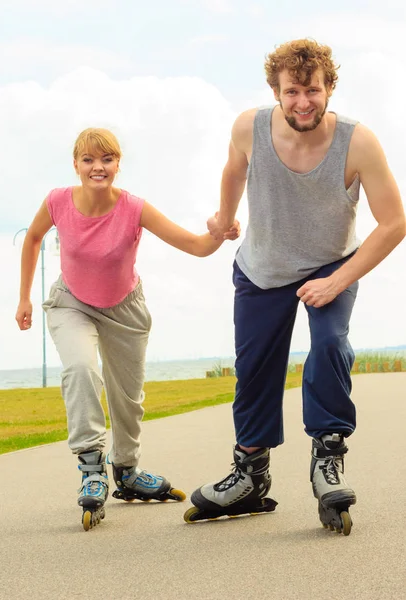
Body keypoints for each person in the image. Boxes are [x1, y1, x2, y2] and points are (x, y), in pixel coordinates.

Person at [184, 39, 406, 535]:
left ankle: (327, 460)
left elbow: (394, 223)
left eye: (312, 90)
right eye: (292, 92)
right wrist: (224, 219)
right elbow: (232, 171)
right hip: (263, 266)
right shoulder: (248, 127)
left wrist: (338, 280)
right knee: (255, 368)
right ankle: (250, 474)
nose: (302, 102)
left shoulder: (358, 143)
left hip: (331, 265)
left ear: (329, 88)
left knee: (330, 344)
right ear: (276, 91)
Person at [15, 127, 240, 530]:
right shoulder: (57, 201)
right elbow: (32, 239)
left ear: (118, 164)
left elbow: (194, 245)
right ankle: (91, 467)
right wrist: (24, 297)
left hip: (125, 309)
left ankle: (127, 471)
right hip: (72, 302)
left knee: (128, 399)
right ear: (76, 165)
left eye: (107, 160)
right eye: (89, 160)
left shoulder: (134, 208)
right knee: (81, 369)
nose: (97, 167)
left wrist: (221, 231)